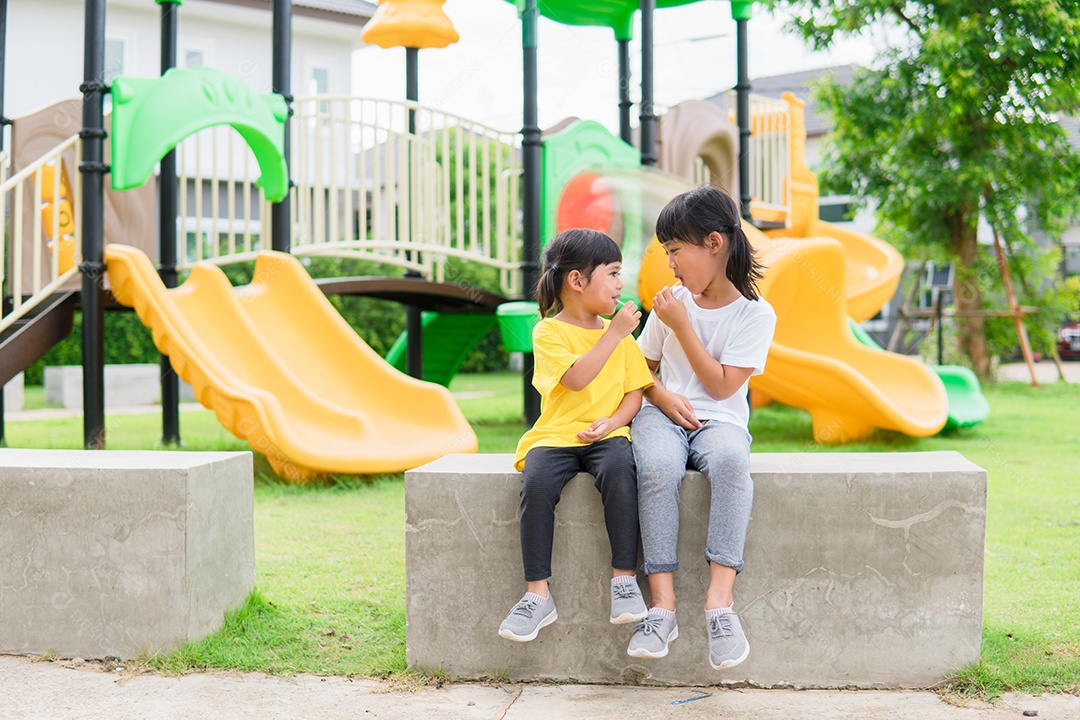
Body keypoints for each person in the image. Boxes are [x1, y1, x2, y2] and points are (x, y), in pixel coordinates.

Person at [626, 186, 777, 669]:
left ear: (714, 242)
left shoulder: (755, 314)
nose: (670, 264)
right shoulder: (672, 302)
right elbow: (642, 370)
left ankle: (719, 604)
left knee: (733, 463)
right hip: (660, 415)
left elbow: (723, 387)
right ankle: (662, 606)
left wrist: (683, 325)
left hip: (721, 420)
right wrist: (662, 396)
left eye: (675, 251)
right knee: (655, 466)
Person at [499, 228, 654, 642]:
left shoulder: (618, 333)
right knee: (536, 483)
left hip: (607, 433)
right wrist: (615, 333)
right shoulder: (549, 332)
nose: (620, 284)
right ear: (577, 281)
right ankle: (537, 595)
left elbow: (634, 392)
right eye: (613, 273)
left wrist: (612, 422)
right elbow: (576, 378)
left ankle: (624, 580)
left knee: (621, 470)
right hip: (556, 435)